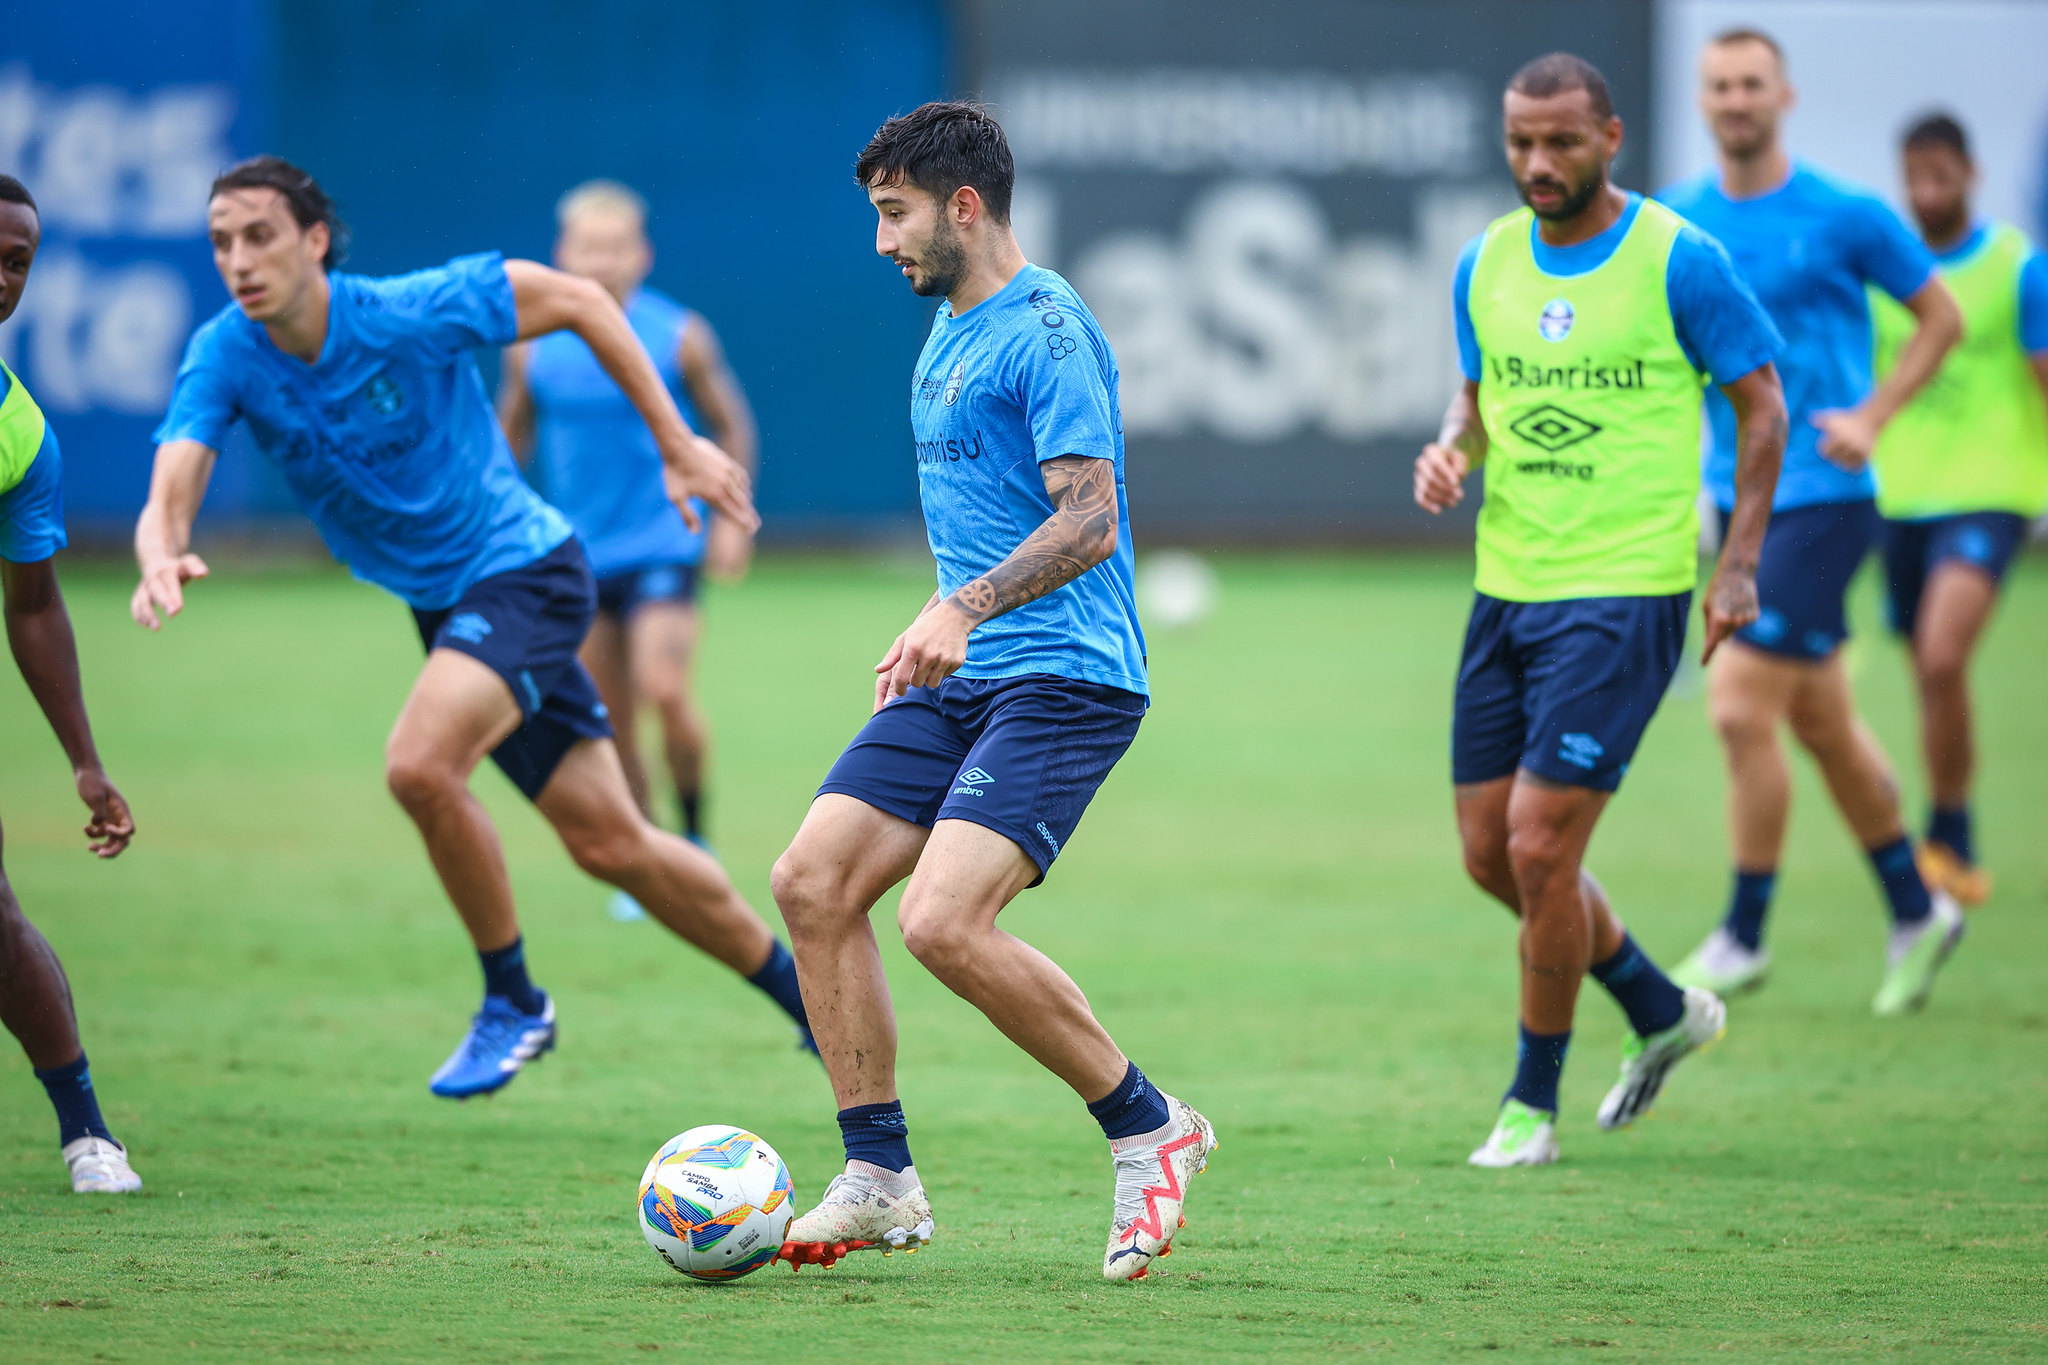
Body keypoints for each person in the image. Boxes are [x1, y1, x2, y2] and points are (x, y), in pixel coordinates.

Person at [130, 156, 813, 1100]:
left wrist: (677, 443)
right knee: (615, 843)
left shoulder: (410, 308)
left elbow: (577, 298)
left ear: (315, 240)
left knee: (418, 765)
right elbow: (177, 474)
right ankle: (810, 997)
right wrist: (161, 546)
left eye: (260, 236)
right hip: (449, 605)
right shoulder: (227, 351)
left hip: (524, 573)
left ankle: (513, 1000)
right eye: (220, 242)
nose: (239, 260)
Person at [766, 102, 1213, 1281]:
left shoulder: (1047, 328)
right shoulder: (950, 326)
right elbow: (985, 523)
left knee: (940, 922)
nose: (881, 243)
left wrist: (958, 609)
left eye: (894, 213)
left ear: (964, 206)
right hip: (965, 673)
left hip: (1064, 677)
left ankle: (1148, 1127)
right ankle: (877, 1178)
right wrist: (936, 624)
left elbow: (1089, 517)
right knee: (811, 882)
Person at [1415, 54, 1787, 1168]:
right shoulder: (1482, 262)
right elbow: (1477, 400)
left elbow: (1762, 409)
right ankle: (1658, 1005)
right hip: (1504, 590)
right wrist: (1450, 452)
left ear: (1610, 138)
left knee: (1538, 847)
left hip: (1625, 593)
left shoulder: (1679, 259)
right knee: (1491, 856)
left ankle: (1530, 1107)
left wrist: (1736, 565)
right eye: (1520, 141)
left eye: (1561, 142)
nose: (1537, 162)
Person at [1659, 29, 1967, 1014]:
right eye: (1718, 85)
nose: (1735, 99)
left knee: (1737, 707)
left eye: (1751, 83)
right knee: (1822, 727)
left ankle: (1743, 933)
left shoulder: (1842, 215)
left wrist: (1871, 416)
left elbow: (1940, 317)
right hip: (1731, 494)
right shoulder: (1675, 223)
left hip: (1823, 503)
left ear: (1782, 94)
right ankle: (1918, 908)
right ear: (1701, 101)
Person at [499, 181, 759, 919]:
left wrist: (732, 521)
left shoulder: (680, 336)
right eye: (589, 249)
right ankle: (647, 856)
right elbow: (506, 442)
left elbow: (731, 424)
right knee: (610, 721)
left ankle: (697, 832)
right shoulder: (533, 349)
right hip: (577, 556)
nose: (603, 263)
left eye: (616, 248)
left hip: (664, 544)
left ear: (641, 255)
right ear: (562, 256)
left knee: (665, 689)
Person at [0, 174, 144, 1192]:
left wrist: (85, 760)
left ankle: (88, 1131)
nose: (3, 277)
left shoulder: (18, 431)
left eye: (19, 262)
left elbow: (35, 604)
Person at [1870, 113, 2048, 908]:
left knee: (1943, 657)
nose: (1926, 190)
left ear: (1971, 173)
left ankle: (1951, 836)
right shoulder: (1884, 275)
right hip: (1897, 498)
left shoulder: (2018, 269)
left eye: (1941, 173)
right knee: (1928, 676)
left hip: (1992, 492)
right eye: (1914, 175)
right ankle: (1949, 826)